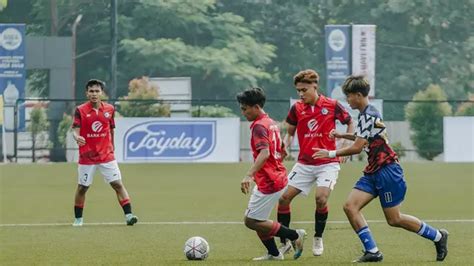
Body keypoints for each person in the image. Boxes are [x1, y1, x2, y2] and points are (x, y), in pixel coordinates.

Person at [313, 75, 448, 262]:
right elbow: (363, 137)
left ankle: (438, 236)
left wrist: (329, 153)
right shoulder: (365, 114)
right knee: (350, 207)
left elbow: (357, 148)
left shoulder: (369, 114)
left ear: (359, 95)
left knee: (394, 219)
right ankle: (373, 251)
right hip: (373, 170)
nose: (347, 100)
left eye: (349, 96)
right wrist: (342, 134)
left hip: (387, 171)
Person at [277, 69, 354, 256]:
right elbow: (290, 133)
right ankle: (285, 241)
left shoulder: (332, 105)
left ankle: (318, 237)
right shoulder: (296, 108)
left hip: (327, 162)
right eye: (298, 91)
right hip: (304, 163)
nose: (301, 94)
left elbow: (350, 122)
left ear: (314, 86)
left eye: (304, 90)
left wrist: (344, 145)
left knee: (320, 199)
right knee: (283, 198)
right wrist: (285, 146)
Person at [237, 87, 306, 261]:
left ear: (256, 106)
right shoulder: (271, 122)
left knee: (251, 221)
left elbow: (265, 152)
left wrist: (248, 175)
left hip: (269, 180)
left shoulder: (259, 126)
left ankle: (294, 235)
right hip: (275, 176)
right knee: (256, 218)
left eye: (245, 108)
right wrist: (275, 164)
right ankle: (274, 254)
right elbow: (282, 150)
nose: (242, 112)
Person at [71, 79, 138, 227]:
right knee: (82, 187)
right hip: (87, 157)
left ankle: (129, 215)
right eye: (91, 91)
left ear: (102, 93)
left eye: (97, 91)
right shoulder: (80, 110)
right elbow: (75, 129)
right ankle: (78, 219)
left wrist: (112, 146)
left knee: (117, 184)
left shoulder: (109, 109)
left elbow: (111, 129)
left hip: (106, 155)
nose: (94, 94)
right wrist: (77, 137)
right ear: (86, 93)